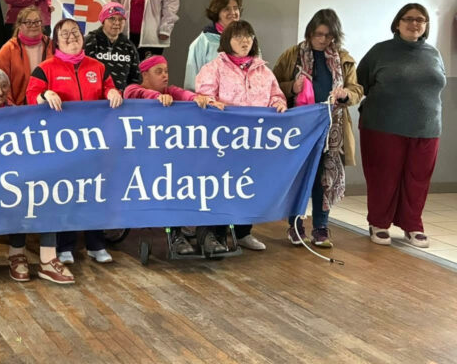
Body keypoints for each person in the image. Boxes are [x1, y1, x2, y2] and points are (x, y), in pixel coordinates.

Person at [26, 18, 122, 276]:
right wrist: (44, 95)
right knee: (68, 194)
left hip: (94, 143)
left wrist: (113, 93)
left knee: (94, 193)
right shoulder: (45, 69)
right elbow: (30, 96)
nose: (71, 37)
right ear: (56, 40)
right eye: (64, 33)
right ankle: (65, 245)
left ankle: (95, 243)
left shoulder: (98, 67)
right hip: (62, 146)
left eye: (75, 32)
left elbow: (109, 88)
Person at [273, 9, 363, 248]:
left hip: (331, 130)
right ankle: (295, 225)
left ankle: (321, 228)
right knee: (299, 177)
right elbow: (272, 85)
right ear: (310, 33)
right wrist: (293, 86)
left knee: (325, 179)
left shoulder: (343, 58)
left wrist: (346, 94)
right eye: (318, 34)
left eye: (329, 36)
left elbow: (357, 90)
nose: (323, 40)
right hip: (298, 129)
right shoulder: (292, 55)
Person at [356, 3, 445, 248]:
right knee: (384, 177)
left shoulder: (433, 54)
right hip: (383, 125)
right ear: (397, 23)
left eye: (420, 20)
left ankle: (412, 225)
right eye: (408, 18)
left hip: (426, 127)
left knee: (418, 179)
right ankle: (379, 223)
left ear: (426, 25)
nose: (414, 23)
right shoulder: (380, 52)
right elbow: (359, 83)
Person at [194, 20, 287, 253]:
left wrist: (278, 103)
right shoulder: (213, 68)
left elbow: (277, 95)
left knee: (249, 185)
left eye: (248, 36)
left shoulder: (264, 71)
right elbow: (204, 96)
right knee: (221, 187)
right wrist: (213, 104)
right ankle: (213, 234)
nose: (244, 41)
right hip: (223, 141)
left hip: (254, 142)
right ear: (227, 40)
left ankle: (243, 232)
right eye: (238, 37)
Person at [125, 55, 224, 255]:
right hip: (143, 160)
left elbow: (184, 94)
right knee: (170, 181)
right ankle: (175, 234)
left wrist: (200, 99)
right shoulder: (132, 89)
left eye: (166, 71)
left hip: (174, 157)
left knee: (203, 178)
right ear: (145, 74)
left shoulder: (171, 92)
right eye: (158, 71)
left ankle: (205, 233)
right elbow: (136, 93)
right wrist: (156, 98)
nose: (165, 76)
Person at [185, 0, 243, 91]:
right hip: (211, 102)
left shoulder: (248, 40)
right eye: (227, 9)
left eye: (235, 8)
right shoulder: (203, 42)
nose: (233, 12)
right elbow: (192, 80)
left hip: (242, 104)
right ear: (217, 13)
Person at [0, 7, 52, 105]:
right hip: (17, 108)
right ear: (19, 26)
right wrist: (11, 107)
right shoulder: (7, 49)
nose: (33, 25)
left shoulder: (52, 45)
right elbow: (1, 83)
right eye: (28, 22)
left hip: (48, 105)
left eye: (37, 22)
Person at [84, 2, 140, 91]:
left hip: (121, 100)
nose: (117, 23)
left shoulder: (129, 46)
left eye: (121, 19)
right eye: (112, 19)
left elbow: (135, 78)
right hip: (94, 98)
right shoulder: (89, 41)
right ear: (103, 21)